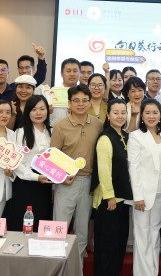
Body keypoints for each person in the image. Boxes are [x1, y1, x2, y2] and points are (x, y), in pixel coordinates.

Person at [50, 84, 101, 258]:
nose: (80, 104)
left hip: (88, 182)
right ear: (69, 103)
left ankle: (77, 266)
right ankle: (58, 263)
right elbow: (52, 157)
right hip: (66, 182)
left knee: (82, 228)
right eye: (76, 100)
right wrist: (61, 178)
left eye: (85, 100)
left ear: (90, 103)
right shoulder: (60, 126)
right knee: (60, 227)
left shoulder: (97, 124)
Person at [127, 99, 161, 276]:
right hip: (143, 195)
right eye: (147, 113)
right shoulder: (136, 136)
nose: (151, 116)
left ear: (160, 115)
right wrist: (137, 196)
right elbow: (134, 167)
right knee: (142, 236)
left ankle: (153, 272)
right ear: (142, 116)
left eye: (155, 112)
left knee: (154, 234)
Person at [92, 99, 132, 276]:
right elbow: (104, 170)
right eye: (116, 112)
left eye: (123, 112)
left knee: (119, 244)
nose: (120, 116)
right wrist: (110, 196)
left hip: (122, 199)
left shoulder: (125, 136)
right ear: (108, 115)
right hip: (109, 201)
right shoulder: (105, 138)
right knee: (106, 246)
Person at [6, 94, 53, 231]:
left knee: (41, 221)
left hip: (45, 185)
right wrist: (36, 177)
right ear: (28, 112)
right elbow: (16, 163)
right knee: (22, 222)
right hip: (25, 183)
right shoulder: (21, 132)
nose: (38, 113)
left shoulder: (52, 132)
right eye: (34, 109)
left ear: (48, 111)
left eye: (42, 109)